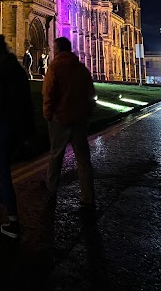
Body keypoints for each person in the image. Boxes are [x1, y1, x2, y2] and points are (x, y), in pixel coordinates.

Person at [0, 35, 34, 239]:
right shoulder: (19, 70)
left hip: (0, 125)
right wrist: (29, 130)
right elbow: (28, 101)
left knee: (4, 174)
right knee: (5, 168)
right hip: (19, 127)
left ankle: (13, 222)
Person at [42, 36, 96, 214]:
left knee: (56, 156)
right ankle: (88, 199)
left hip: (61, 119)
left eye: (54, 48)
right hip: (80, 120)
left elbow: (48, 92)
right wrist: (88, 113)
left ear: (58, 50)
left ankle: (51, 191)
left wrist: (48, 114)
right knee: (83, 160)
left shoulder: (55, 66)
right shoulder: (81, 68)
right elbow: (91, 94)